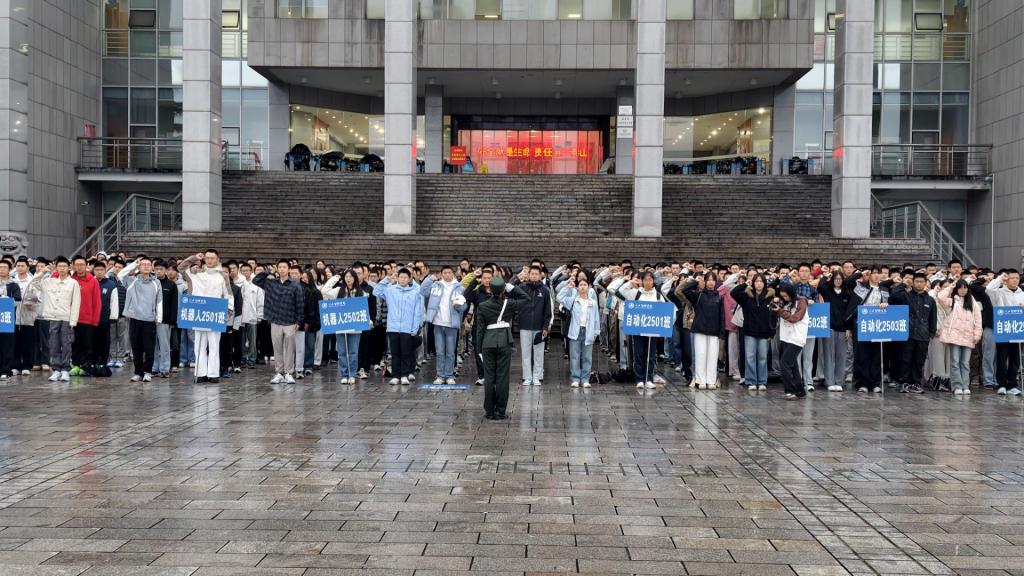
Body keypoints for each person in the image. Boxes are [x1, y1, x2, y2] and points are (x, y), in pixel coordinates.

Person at [474, 276, 528, 420]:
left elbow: (480, 330)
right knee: (502, 378)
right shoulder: (509, 304)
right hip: (504, 342)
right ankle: (501, 411)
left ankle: (489, 411)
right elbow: (525, 298)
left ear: (490, 290)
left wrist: (478, 349)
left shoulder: (483, 306)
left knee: (489, 378)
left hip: (488, 343)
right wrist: (511, 287)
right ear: (503, 290)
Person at [177, 250, 234, 384]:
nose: (209, 260)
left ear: (217, 259)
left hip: (215, 314)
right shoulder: (195, 273)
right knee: (199, 345)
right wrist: (193, 258)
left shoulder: (223, 275)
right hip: (199, 314)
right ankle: (200, 373)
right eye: (207, 258)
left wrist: (229, 310)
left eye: (212, 258)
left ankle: (213, 374)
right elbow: (180, 268)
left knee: (214, 345)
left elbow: (228, 294)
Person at [252, 260, 306, 384]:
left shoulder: (295, 285)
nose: (282, 269)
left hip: (290, 321)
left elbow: (300, 304)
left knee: (289, 349)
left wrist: (299, 321)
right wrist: (269, 272)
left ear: (289, 269)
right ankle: (279, 372)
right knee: (277, 348)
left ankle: (288, 373)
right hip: (275, 320)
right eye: (280, 267)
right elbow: (256, 280)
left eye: (284, 267)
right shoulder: (271, 283)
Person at [28, 257, 81, 382]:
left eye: (64, 266)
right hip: (52, 317)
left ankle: (65, 370)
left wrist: (73, 321)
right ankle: (56, 369)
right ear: (56, 268)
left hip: (66, 317)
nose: (62, 269)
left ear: (69, 268)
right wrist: (43, 272)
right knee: (53, 344)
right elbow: (33, 284)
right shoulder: (49, 281)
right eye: (60, 266)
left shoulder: (73, 283)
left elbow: (76, 303)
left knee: (66, 344)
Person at [618, 271, 670, 389]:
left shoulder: (658, 296)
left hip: (653, 330)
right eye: (645, 280)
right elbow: (621, 291)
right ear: (642, 281)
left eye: (650, 280)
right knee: (638, 354)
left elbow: (665, 311)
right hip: (638, 329)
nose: (648, 282)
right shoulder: (636, 293)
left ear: (653, 281)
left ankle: (649, 378)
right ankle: (639, 378)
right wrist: (630, 282)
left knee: (651, 355)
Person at [373, 267, 424, 386]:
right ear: (398, 278)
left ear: (409, 279)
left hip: (407, 328)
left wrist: (415, 328)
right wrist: (387, 279)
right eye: (401, 277)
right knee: (395, 353)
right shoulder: (390, 290)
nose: (403, 279)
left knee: (406, 352)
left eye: (405, 277)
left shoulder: (414, 292)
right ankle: (396, 375)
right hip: (393, 327)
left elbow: (417, 311)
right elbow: (376, 291)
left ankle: (404, 375)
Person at [322, 270, 374, 384]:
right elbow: (324, 291)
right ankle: (344, 374)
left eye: (351, 276)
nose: (348, 279)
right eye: (346, 276)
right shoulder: (338, 291)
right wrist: (336, 277)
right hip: (341, 325)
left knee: (353, 352)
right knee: (342, 352)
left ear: (355, 278)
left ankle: (352, 374)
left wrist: (368, 321)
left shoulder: (361, 292)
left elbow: (363, 308)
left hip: (355, 327)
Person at [890, 272, 937, 394]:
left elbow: (932, 319)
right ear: (913, 282)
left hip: (923, 335)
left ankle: (916, 383)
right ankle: (905, 382)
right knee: (905, 359)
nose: (919, 284)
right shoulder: (906, 296)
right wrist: (903, 284)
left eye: (922, 282)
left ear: (926, 283)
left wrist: (931, 334)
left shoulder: (930, 300)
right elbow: (893, 295)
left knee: (919, 360)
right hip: (907, 333)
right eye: (917, 281)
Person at [420, 265, 468, 386]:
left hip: (452, 324)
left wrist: (459, 306)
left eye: (449, 272)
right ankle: (440, 375)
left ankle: (449, 375)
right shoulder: (435, 285)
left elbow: (464, 306)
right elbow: (423, 291)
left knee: (451, 352)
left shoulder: (459, 287)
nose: (447, 275)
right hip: (438, 323)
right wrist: (429, 279)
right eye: (445, 273)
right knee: (440, 351)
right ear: (441, 274)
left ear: (453, 274)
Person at [119, 256, 163, 383]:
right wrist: (134, 264)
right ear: (139, 266)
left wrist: (158, 318)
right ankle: (138, 372)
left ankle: (147, 372)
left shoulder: (156, 282)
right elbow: (120, 274)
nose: (146, 266)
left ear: (152, 267)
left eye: (148, 264)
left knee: (149, 348)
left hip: (149, 319)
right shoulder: (132, 280)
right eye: (143, 264)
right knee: (136, 347)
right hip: (135, 318)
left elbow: (159, 301)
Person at [937, 279, 983, 395]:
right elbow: (940, 297)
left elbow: (978, 319)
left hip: (968, 336)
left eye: (965, 288)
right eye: (960, 288)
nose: (963, 290)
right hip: (954, 336)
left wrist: (977, 334)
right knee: (955, 362)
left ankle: (965, 385)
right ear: (956, 289)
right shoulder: (952, 300)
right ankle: (957, 385)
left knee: (965, 363)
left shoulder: (972, 302)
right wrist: (950, 287)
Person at [849, 266, 889, 393]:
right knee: (862, 354)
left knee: (876, 355)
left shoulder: (884, 290)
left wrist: (886, 305)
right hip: (862, 324)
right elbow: (847, 282)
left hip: (878, 326)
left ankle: (875, 382)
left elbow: (891, 304)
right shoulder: (861, 287)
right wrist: (860, 274)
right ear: (869, 275)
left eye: (879, 273)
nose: (877, 275)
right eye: (874, 273)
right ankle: (862, 382)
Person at [731, 273, 773, 391]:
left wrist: (772, 332)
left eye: (761, 281)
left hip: (764, 332)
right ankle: (751, 381)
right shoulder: (747, 296)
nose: (759, 284)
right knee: (750, 357)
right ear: (753, 283)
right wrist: (745, 284)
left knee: (762, 357)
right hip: (750, 331)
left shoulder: (769, 297)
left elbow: (773, 316)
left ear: (764, 283)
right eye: (756, 281)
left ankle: (762, 381)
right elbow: (733, 293)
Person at [558, 272, 601, 388]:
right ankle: (575, 378)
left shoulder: (593, 303)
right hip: (575, 331)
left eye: (584, 285)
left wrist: (596, 332)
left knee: (587, 357)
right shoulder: (573, 300)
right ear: (577, 287)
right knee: (574, 356)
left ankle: (585, 379)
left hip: (588, 331)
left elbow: (596, 318)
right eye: (580, 285)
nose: (582, 287)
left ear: (589, 287)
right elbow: (559, 298)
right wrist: (568, 287)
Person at [682, 272, 723, 390]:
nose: (710, 282)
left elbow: (722, 315)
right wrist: (695, 281)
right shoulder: (698, 295)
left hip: (714, 331)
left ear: (716, 282)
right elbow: (685, 290)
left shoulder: (719, 297)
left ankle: (711, 380)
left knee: (712, 356)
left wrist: (721, 332)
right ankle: (700, 380)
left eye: (713, 280)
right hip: (700, 329)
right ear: (704, 281)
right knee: (700, 355)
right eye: (708, 280)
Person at [513, 265, 552, 386]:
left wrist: (545, 327)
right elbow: (509, 290)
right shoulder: (522, 287)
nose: (534, 276)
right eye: (532, 274)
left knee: (539, 353)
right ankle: (527, 377)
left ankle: (537, 377)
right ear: (529, 275)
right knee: (525, 353)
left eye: (536, 274)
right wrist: (517, 278)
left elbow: (548, 310)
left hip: (539, 327)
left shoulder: (545, 290)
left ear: (540, 276)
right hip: (525, 325)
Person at [987, 269, 1024, 395]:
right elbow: (989, 289)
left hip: (1017, 329)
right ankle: (1002, 384)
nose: (1015, 280)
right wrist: (999, 279)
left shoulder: (1022, 293)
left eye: (1017, 278)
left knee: (1015, 358)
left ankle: (1012, 384)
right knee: (1002, 358)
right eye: (1012, 278)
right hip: (1003, 328)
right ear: (1007, 279)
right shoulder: (999, 292)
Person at [818, 270, 853, 392]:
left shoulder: (847, 293)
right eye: (836, 279)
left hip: (843, 328)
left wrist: (848, 328)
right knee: (828, 355)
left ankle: (839, 381)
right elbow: (820, 287)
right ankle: (829, 381)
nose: (838, 281)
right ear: (832, 280)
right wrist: (825, 277)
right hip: (829, 327)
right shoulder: (827, 291)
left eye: (840, 279)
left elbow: (849, 312)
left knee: (841, 355)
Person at [773, 283, 809, 400]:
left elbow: (795, 318)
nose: (784, 298)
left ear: (791, 294)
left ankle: (790, 390)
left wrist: (780, 311)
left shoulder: (801, 302)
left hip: (797, 337)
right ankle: (800, 390)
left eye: (786, 296)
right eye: (782, 296)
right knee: (793, 365)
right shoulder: (785, 303)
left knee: (785, 363)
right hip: (785, 337)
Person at [68, 255, 101, 377]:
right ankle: (76, 365)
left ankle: (86, 366)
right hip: (72, 319)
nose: (79, 267)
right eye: (77, 265)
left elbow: (97, 302)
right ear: (73, 266)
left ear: (86, 266)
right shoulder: (70, 280)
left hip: (87, 319)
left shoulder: (92, 280)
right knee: (74, 344)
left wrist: (95, 320)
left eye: (82, 264)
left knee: (87, 345)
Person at [13, 257, 40, 376]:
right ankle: (15, 365)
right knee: (15, 343)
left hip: (28, 315)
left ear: (27, 267)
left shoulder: (32, 281)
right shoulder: (12, 281)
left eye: (22, 266)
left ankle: (27, 366)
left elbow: (38, 296)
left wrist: (32, 303)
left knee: (28, 343)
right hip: (14, 316)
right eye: (18, 266)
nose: (20, 268)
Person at [154, 260, 178, 378]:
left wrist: (173, 320)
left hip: (165, 320)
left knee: (164, 345)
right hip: (150, 319)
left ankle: (164, 368)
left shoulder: (171, 285)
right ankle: (154, 368)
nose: (159, 271)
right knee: (152, 346)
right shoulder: (151, 283)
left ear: (166, 270)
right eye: (157, 269)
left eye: (161, 269)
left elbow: (174, 304)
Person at [0, 260, 23, 380]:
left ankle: (6, 370)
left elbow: (18, 300)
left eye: (4, 267)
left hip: (6, 317)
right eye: (0, 267)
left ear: (9, 269)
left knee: (7, 345)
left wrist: (6, 299)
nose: (1, 269)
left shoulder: (13, 285)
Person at [238, 262, 263, 369]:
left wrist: (259, 316)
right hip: (240, 317)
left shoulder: (256, 285)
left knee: (252, 340)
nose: (245, 272)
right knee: (241, 339)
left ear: (251, 271)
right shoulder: (238, 284)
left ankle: (252, 359)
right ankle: (243, 358)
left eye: (247, 270)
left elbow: (260, 302)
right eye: (243, 271)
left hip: (252, 316)